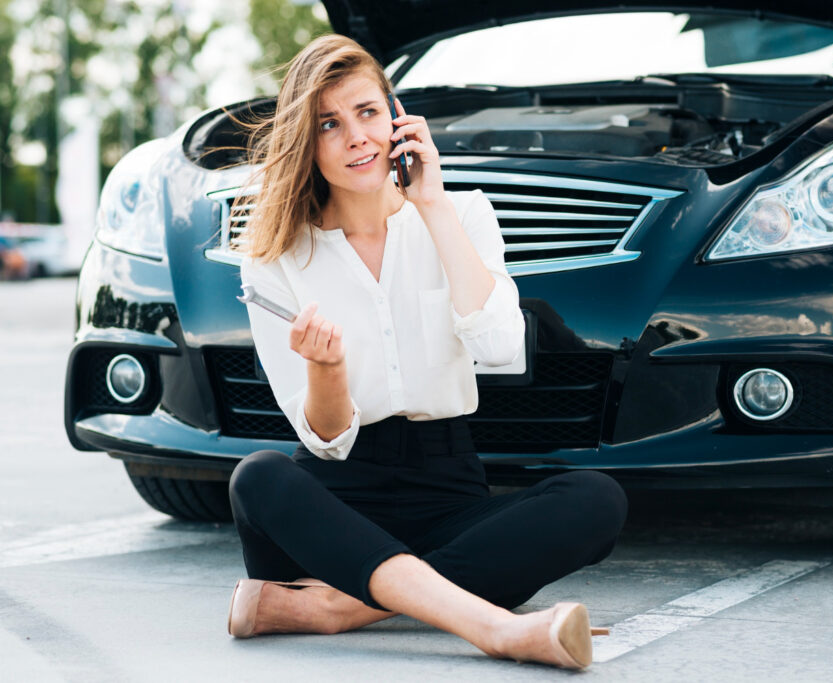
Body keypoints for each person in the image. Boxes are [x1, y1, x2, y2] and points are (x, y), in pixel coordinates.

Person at [227, 34, 628, 670]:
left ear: (397, 117)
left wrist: (432, 204)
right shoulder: (276, 256)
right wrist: (325, 370)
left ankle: (332, 609)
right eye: (328, 124)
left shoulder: (461, 214)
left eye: (366, 112)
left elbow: (499, 346)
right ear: (306, 142)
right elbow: (325, 438)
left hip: (447, 491)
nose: (356, 137)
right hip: (334, 506)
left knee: (596, 499)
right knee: (258, 478)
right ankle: (498, 630)